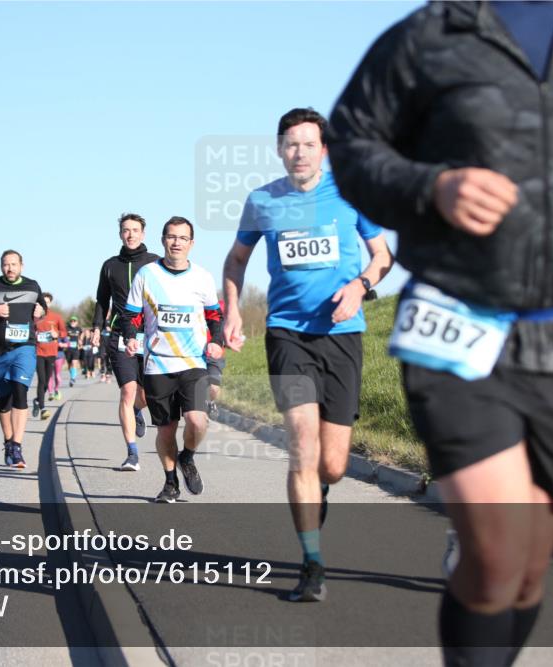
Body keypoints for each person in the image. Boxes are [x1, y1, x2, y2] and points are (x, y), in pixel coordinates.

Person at [326, 2, 553, 664]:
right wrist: (431, 186)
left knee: (527, 564)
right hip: (456, 323)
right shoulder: (430, 34)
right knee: (497, 549)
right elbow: (353, 145)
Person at [223, 107, 393, 601]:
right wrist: (231, 310)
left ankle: (320, 491)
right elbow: (236, 260)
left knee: (333, 465)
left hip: (342, 337)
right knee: (302, 446)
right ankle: (312, 564)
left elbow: (383, 257)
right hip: (288, 336)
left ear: (324, 150)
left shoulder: (350, 194)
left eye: (309, 143)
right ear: (279, 149)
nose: (299, 152)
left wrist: (360, 288)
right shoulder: (262, 201)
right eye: (290, 144)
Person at [123, 216, 224, 502]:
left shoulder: (202, 276)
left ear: (191, 243)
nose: (176, 242)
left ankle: (188, 457)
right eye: (171, 237)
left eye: (182, 238)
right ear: (163, 240)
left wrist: (216, 341)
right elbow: (130, 315)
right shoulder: (146, 275)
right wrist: (131, 336)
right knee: (166, 429)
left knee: (198, 421)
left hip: (193, 362)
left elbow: (214, 315)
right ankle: (170, 483)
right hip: (158, 365)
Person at [91, 213, 160, 471]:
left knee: (147, 395)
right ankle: (132, 453)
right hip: (120, 335)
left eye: (135, 230)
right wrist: (97, 327)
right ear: (120, 234)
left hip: (151, 335)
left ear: (143, 234)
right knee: (128, 392)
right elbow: (101, 299)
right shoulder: (110, 265)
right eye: (126, 230)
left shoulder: (155, 263)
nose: (130, 234)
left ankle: (137, 411)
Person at [0, 251, 46, 468]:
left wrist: (41, 311)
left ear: (22, 265)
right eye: (6, 265)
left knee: (20, 391)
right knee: (4, 400)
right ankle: (9, 443)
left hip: (24, 347)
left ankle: (17, 446)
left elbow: (41, 309)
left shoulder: (32, 286)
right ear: (1, 266)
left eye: (13, 264)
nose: (10, 268)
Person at [34, 292, 67, 420]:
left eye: (47, 302)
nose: (45, 304)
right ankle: (42, 408)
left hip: (52, 352)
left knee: (47, 381)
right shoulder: (34, 317)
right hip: (38, 352)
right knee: (41, 380)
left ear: (50, 303)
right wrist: (34, 333)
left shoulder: (56, 316)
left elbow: (64, 332)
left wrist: (57, 333)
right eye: (43, 301)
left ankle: (37, 400)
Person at [205, 298, 228, 420]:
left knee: (214, 387)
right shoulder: (189, 301)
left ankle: (211, 402)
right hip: (194, 353)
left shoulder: (222, 305)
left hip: (214, 354)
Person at [65, 316, 83, 386]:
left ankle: (72, 378)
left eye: (74, 321)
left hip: (75, 349)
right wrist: (66, 339)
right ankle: (72, 375)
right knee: (69, 365)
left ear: (77, 322)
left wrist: (80, 339)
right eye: (72, 321)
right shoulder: (67, 328)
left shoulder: (78, 329)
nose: (73, 322)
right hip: (68, 349)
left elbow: (82, 333)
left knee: (74, 363)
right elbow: (63, 335)